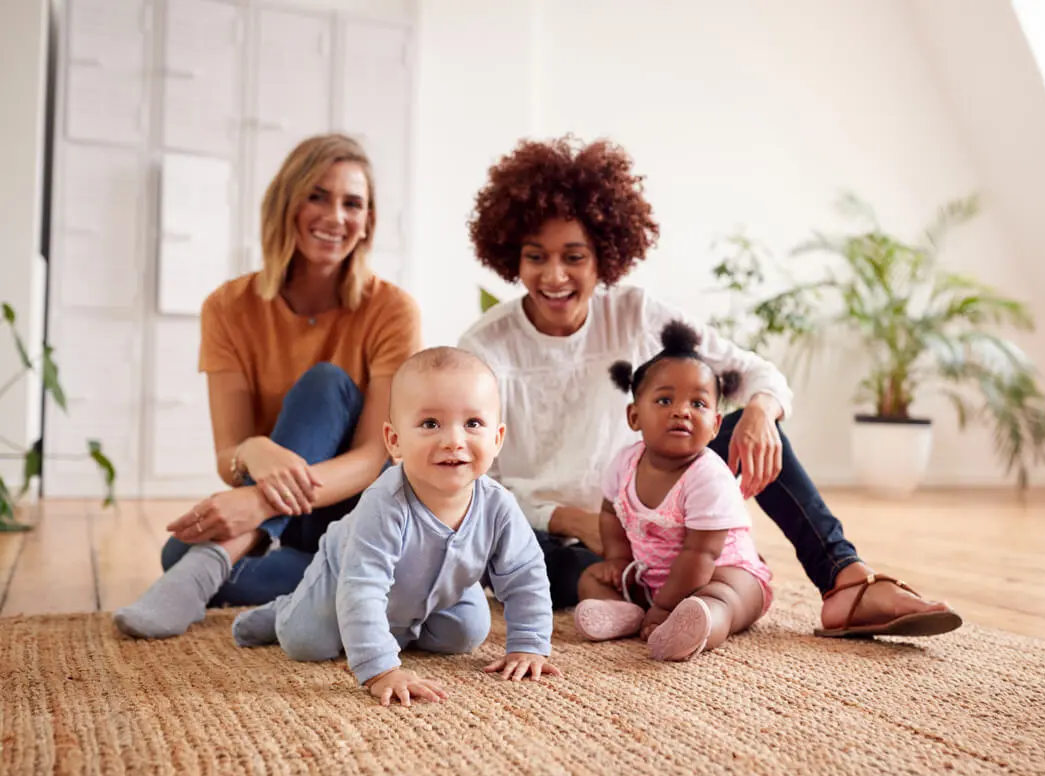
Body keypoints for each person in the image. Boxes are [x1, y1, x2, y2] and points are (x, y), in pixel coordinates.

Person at [458, 135, 962, 639]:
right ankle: (666, 596)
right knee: (539, 566)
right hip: (556, 536)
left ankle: (844, 580)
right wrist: (570, 519)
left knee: (743, 422)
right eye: (535, 257)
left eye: (574, 257)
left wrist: (762, 412)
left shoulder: (633, 313)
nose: (554, 276)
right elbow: (475, 481)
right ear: (511, 256)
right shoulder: (485, 347)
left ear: (603, 256)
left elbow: (759, 374)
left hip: (649, 514)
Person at [115, 133, 422, 640]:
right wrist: (254, 449)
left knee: (326, 383)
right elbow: (228, 450)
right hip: (293, 521)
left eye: (353, 204)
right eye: (317, 195)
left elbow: (374, 457)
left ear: (368, 222)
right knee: (178, 549)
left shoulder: (391, 310)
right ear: (287, 202)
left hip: (354, 511)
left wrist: (256, 503)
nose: (335, 216)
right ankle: (345, 584)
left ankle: (212, 565)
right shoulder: (228, 307)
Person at [231, 348, 559, 706]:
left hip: (433, 592)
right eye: (430, 424)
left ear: (496, 439)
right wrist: (381, 669)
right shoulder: (385, 503)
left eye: (473, 424)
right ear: (395, 441)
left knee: (466, 633)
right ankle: (284, 609)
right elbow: (363, 588)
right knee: (307, 642)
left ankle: (399, 626)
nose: (453, 440)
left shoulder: (499, 505)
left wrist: (529, 643)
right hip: (345, 575)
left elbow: (526, 574)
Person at [573, 321, 773, 662]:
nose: (682, 411)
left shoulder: (708, 477)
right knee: (591, 578)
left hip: (721, 570)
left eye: (698, 404)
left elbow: (701, 555)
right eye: (665, 400)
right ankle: (625, 613)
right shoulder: (624, 463)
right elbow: (610, 513)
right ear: (634, 416)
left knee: (724, 597)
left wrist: (666, 606)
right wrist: (618, 560)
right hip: (651, 577)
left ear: (715, 426)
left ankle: (698, 626)